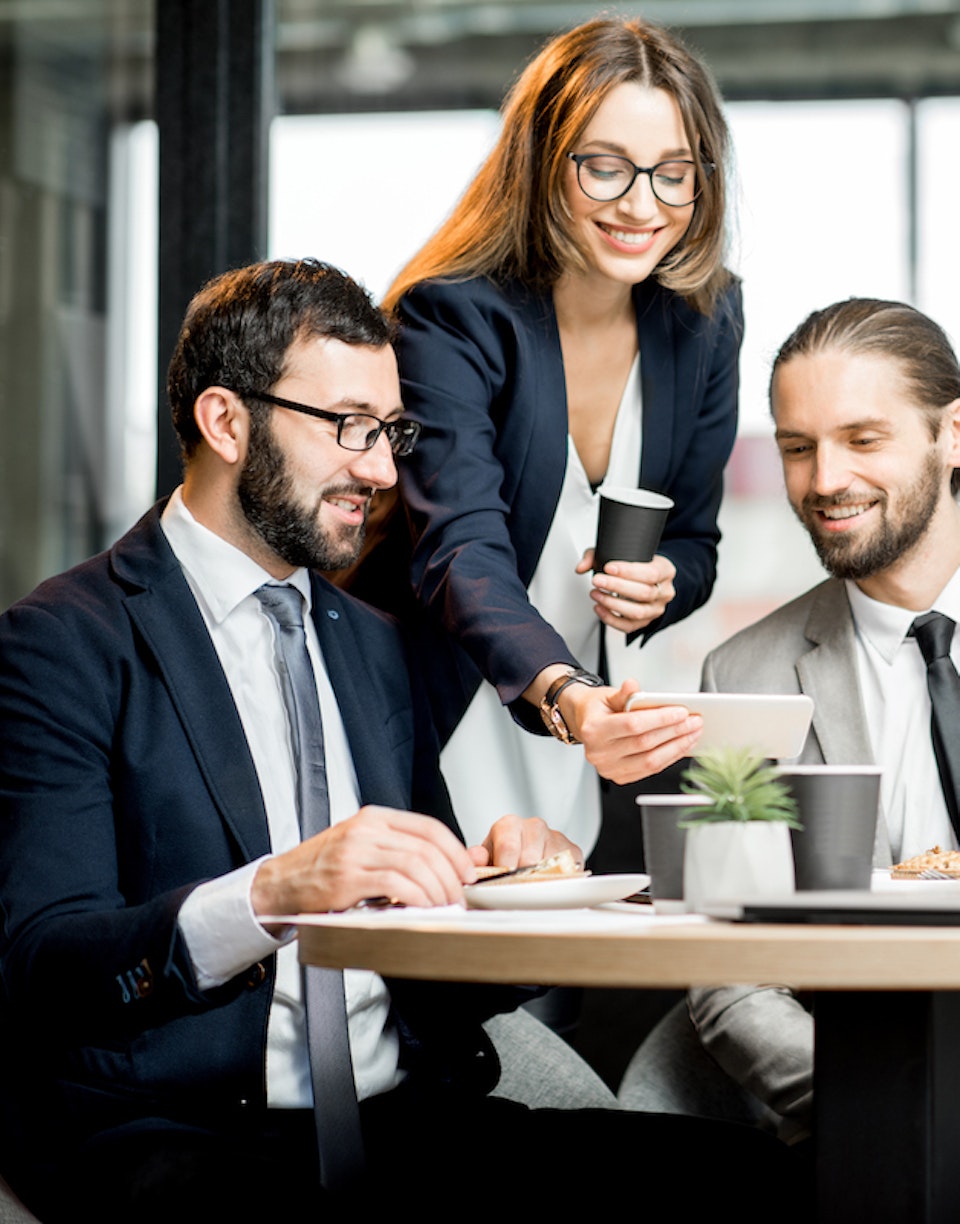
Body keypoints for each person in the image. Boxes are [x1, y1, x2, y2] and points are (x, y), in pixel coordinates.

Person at [0, 258, 796, 1221]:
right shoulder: (62, 641)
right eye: (348, 429)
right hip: (178, 1133)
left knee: (765, 1183)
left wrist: (509, 894)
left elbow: (433, 968)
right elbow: (46, 966)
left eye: (389, 432)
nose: (381, 470)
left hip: (407, 1119)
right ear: (224, 421)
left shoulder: (374, 647)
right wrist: (271, 892)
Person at [362, 16, 740, 857]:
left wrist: (662, 584)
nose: (641, 205)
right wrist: (568, 695)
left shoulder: (705, 321)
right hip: (448, 700)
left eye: (672, 174)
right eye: (604, 167)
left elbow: (695, 539)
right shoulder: (450, 315)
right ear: (543, 162)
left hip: (586, 727)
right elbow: (459, 550)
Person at [652, 298, 960, 1142]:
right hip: (856, 1118)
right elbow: (728, 970)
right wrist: (882, 1117)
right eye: (797, 447)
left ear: (953, 436)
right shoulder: (742, 677)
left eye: (864, 440)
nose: (825, 481)